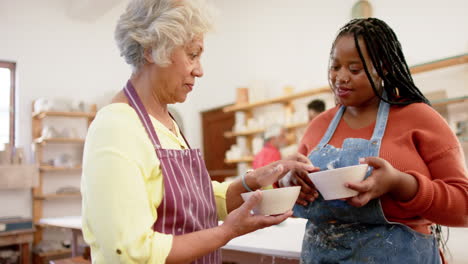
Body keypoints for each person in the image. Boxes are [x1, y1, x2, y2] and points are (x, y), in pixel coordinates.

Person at [80, 1, 316, 263]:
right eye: (192, 55)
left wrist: (253, 181)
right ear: (151, 50)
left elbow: (195, 200)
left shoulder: (166, 122)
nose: (200, 70)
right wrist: (226, 232)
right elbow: (129, 251)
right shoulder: (117, 127)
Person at [289, 18, 468, 263]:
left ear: (383, 68)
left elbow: (463, 208)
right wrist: (288, 182)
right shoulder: (318, 126)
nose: (341, 78)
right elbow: (291, 197)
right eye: (335, 67)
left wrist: (401, 184)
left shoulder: (420, 118)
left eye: (354, 69)